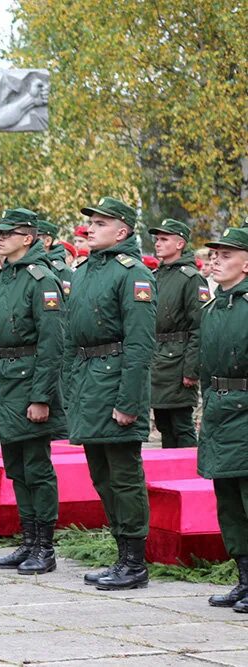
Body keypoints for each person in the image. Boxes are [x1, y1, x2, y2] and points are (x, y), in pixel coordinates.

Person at [65, 196, 156, 590]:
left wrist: (129, 401)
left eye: (100, 223)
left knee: (123, 475)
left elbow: (139, 345)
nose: (91, 228)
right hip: (87, 380)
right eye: (91, 223)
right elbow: (71, 335)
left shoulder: (132, 273)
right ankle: (121, 554)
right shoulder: (84, 270)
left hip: (115, 377)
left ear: (122, 231)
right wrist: (70, 386)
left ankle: (134, 562)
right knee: (101, 475)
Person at [0, 209, 66, 574]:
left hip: (28, 380)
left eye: (6, 233)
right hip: (2, 380)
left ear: (28, 238)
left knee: (36, 467)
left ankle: (44, 547)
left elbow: (52, 344)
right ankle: (27, 540)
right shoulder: (0, 278)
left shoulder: (41, 280)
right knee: (15, 466)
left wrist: (40, 397)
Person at [198, 227, 248, 612]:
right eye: (214, 254)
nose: (216, 261)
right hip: (219, 410)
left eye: (226, 255)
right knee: (228, 499)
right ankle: (244, 577)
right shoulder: (213, 308)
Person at [148, 219, 207, 449]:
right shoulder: (156, 275)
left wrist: (191, 370)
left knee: (181, 424)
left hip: (179, 359)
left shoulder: (191, 278)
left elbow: (198, 326)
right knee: (163, 424)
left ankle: (189, 476)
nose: (158, 243)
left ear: (180, 243)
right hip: (158, 357)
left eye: (164, 239)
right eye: (157, 239)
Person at [37, 219, 74, 298]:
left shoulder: (62, 271)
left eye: (36, 238)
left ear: (47, 241)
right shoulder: (31, 264)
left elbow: (66, 301)